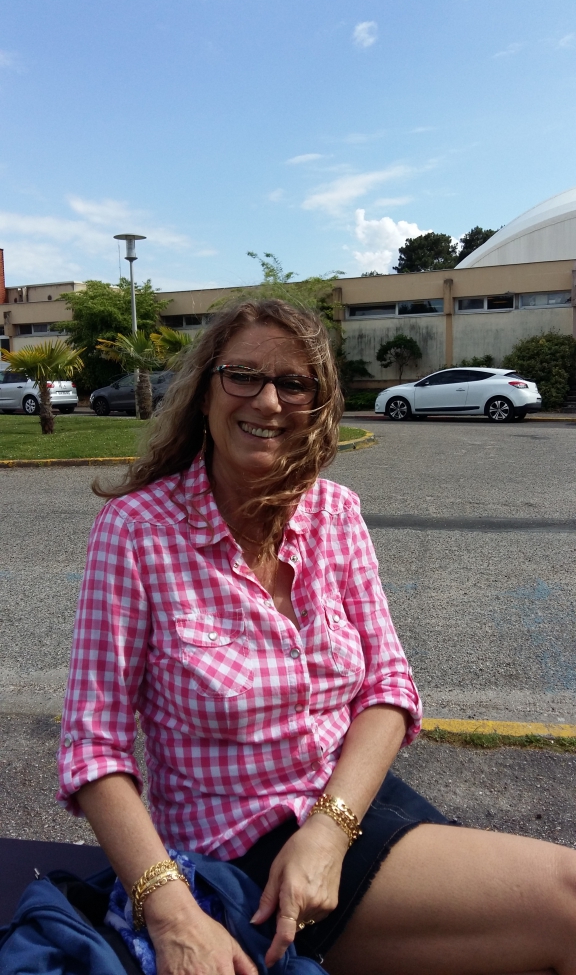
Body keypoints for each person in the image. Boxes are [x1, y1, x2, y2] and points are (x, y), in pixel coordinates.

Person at [58, 298, 576, 975]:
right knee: (566, 902)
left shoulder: (335, 512)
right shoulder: (137, 532)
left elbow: (389, 686)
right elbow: (92, 747)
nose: (267, 401)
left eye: (293, 383)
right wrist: (170, 908)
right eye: (243, 375)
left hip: (353, 805)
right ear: (205, 390)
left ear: (318, 403)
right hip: (241, 850)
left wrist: (331, 827)